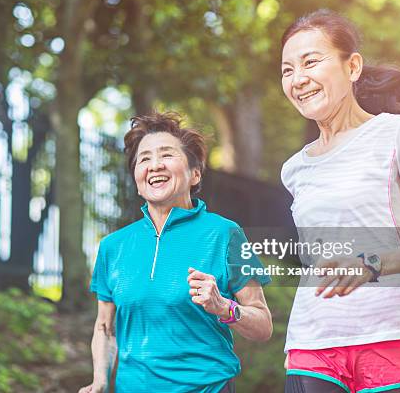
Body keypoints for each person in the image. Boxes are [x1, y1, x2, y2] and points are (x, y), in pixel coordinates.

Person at [279, 10, 400, 393]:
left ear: (352, 66)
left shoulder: (398, 134)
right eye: (287, 70)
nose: (298, 79)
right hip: (314, 341)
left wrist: (371, 264)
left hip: (396, 334)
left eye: (311, 62)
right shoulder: (294, 169)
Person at [79, 112, 272, 393]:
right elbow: (105, 327)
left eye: (166, 155)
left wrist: (223, 307)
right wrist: (99, 380)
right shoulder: (113, 246)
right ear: (136, 176)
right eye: (144, 159)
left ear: (195, 174)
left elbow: (263, 325)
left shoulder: (224, 234)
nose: (154, 165)